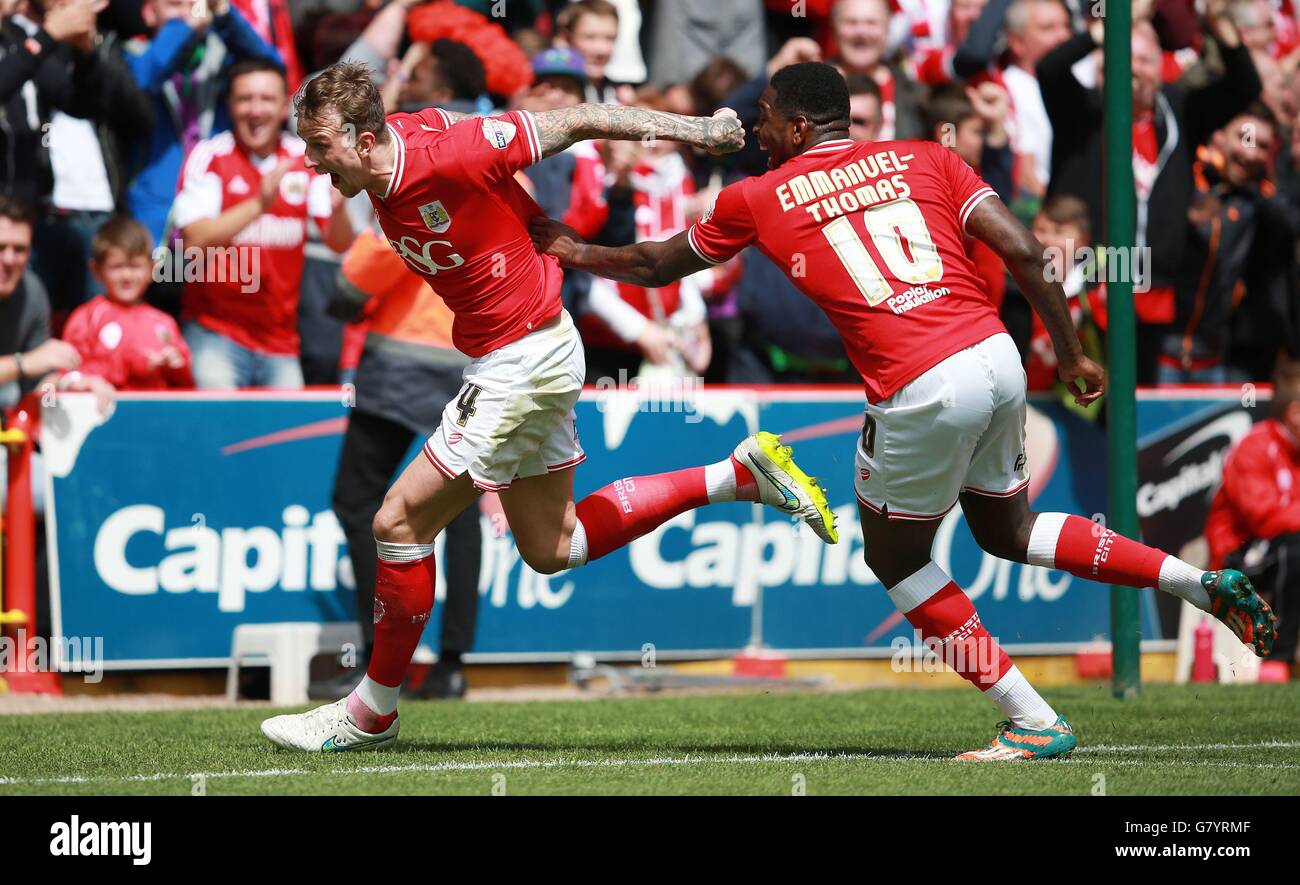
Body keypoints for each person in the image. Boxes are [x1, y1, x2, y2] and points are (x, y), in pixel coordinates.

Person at [530, 61, 1279, 760]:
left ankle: (1034, 720)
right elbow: (1022, 246)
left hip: (921, 381)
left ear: (796, 129)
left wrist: (568, 247)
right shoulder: (927, 156)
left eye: (763, 119)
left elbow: (658, 263)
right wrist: (1074, 348)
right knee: (1008, 529)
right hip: (995, 352)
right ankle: (1196, 583)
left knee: (895, 558)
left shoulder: (756, 196)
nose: (754, 132)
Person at [259, 61, 837, 752]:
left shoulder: (453, 148)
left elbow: (582, 121)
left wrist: (697, 131)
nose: (309, 159)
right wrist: (534, 222)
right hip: (532, 347)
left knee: (398, 517)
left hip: (522, 356)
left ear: (362, 139)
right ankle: (735, 476)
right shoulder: (388, 163)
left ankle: (371, 710)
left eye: (319, 145)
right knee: (552, 544)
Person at [173, 58, 352, 388]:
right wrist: (259, 204)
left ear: (285, 107)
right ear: (230, 105)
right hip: (215, 335)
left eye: (266, 99)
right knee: (217, 435)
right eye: (245, 99)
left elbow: (338, 242)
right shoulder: (209, 156)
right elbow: (194, 241)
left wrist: (341, 209)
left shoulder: (305, 157)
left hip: (280, 341)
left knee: (285, 437)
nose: (255, 110)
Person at [1205, 360, 1300, 674]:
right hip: (1238, 556)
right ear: (1295, 413)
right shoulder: (1255, 446)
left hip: (1277, 550)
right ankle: (1278, 657)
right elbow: (1265, 521)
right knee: (1294, 550)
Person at [61, 215, 194, 390]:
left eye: (135, 266)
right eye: (117, 266)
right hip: (104, 412)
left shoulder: (164, 323)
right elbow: (68, 376)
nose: (127, 276)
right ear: (96, 270)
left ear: (152, 268)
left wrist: (176, 366)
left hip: (155, 414)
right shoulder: (85, 318)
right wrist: (128, 364)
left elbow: (185, 385)